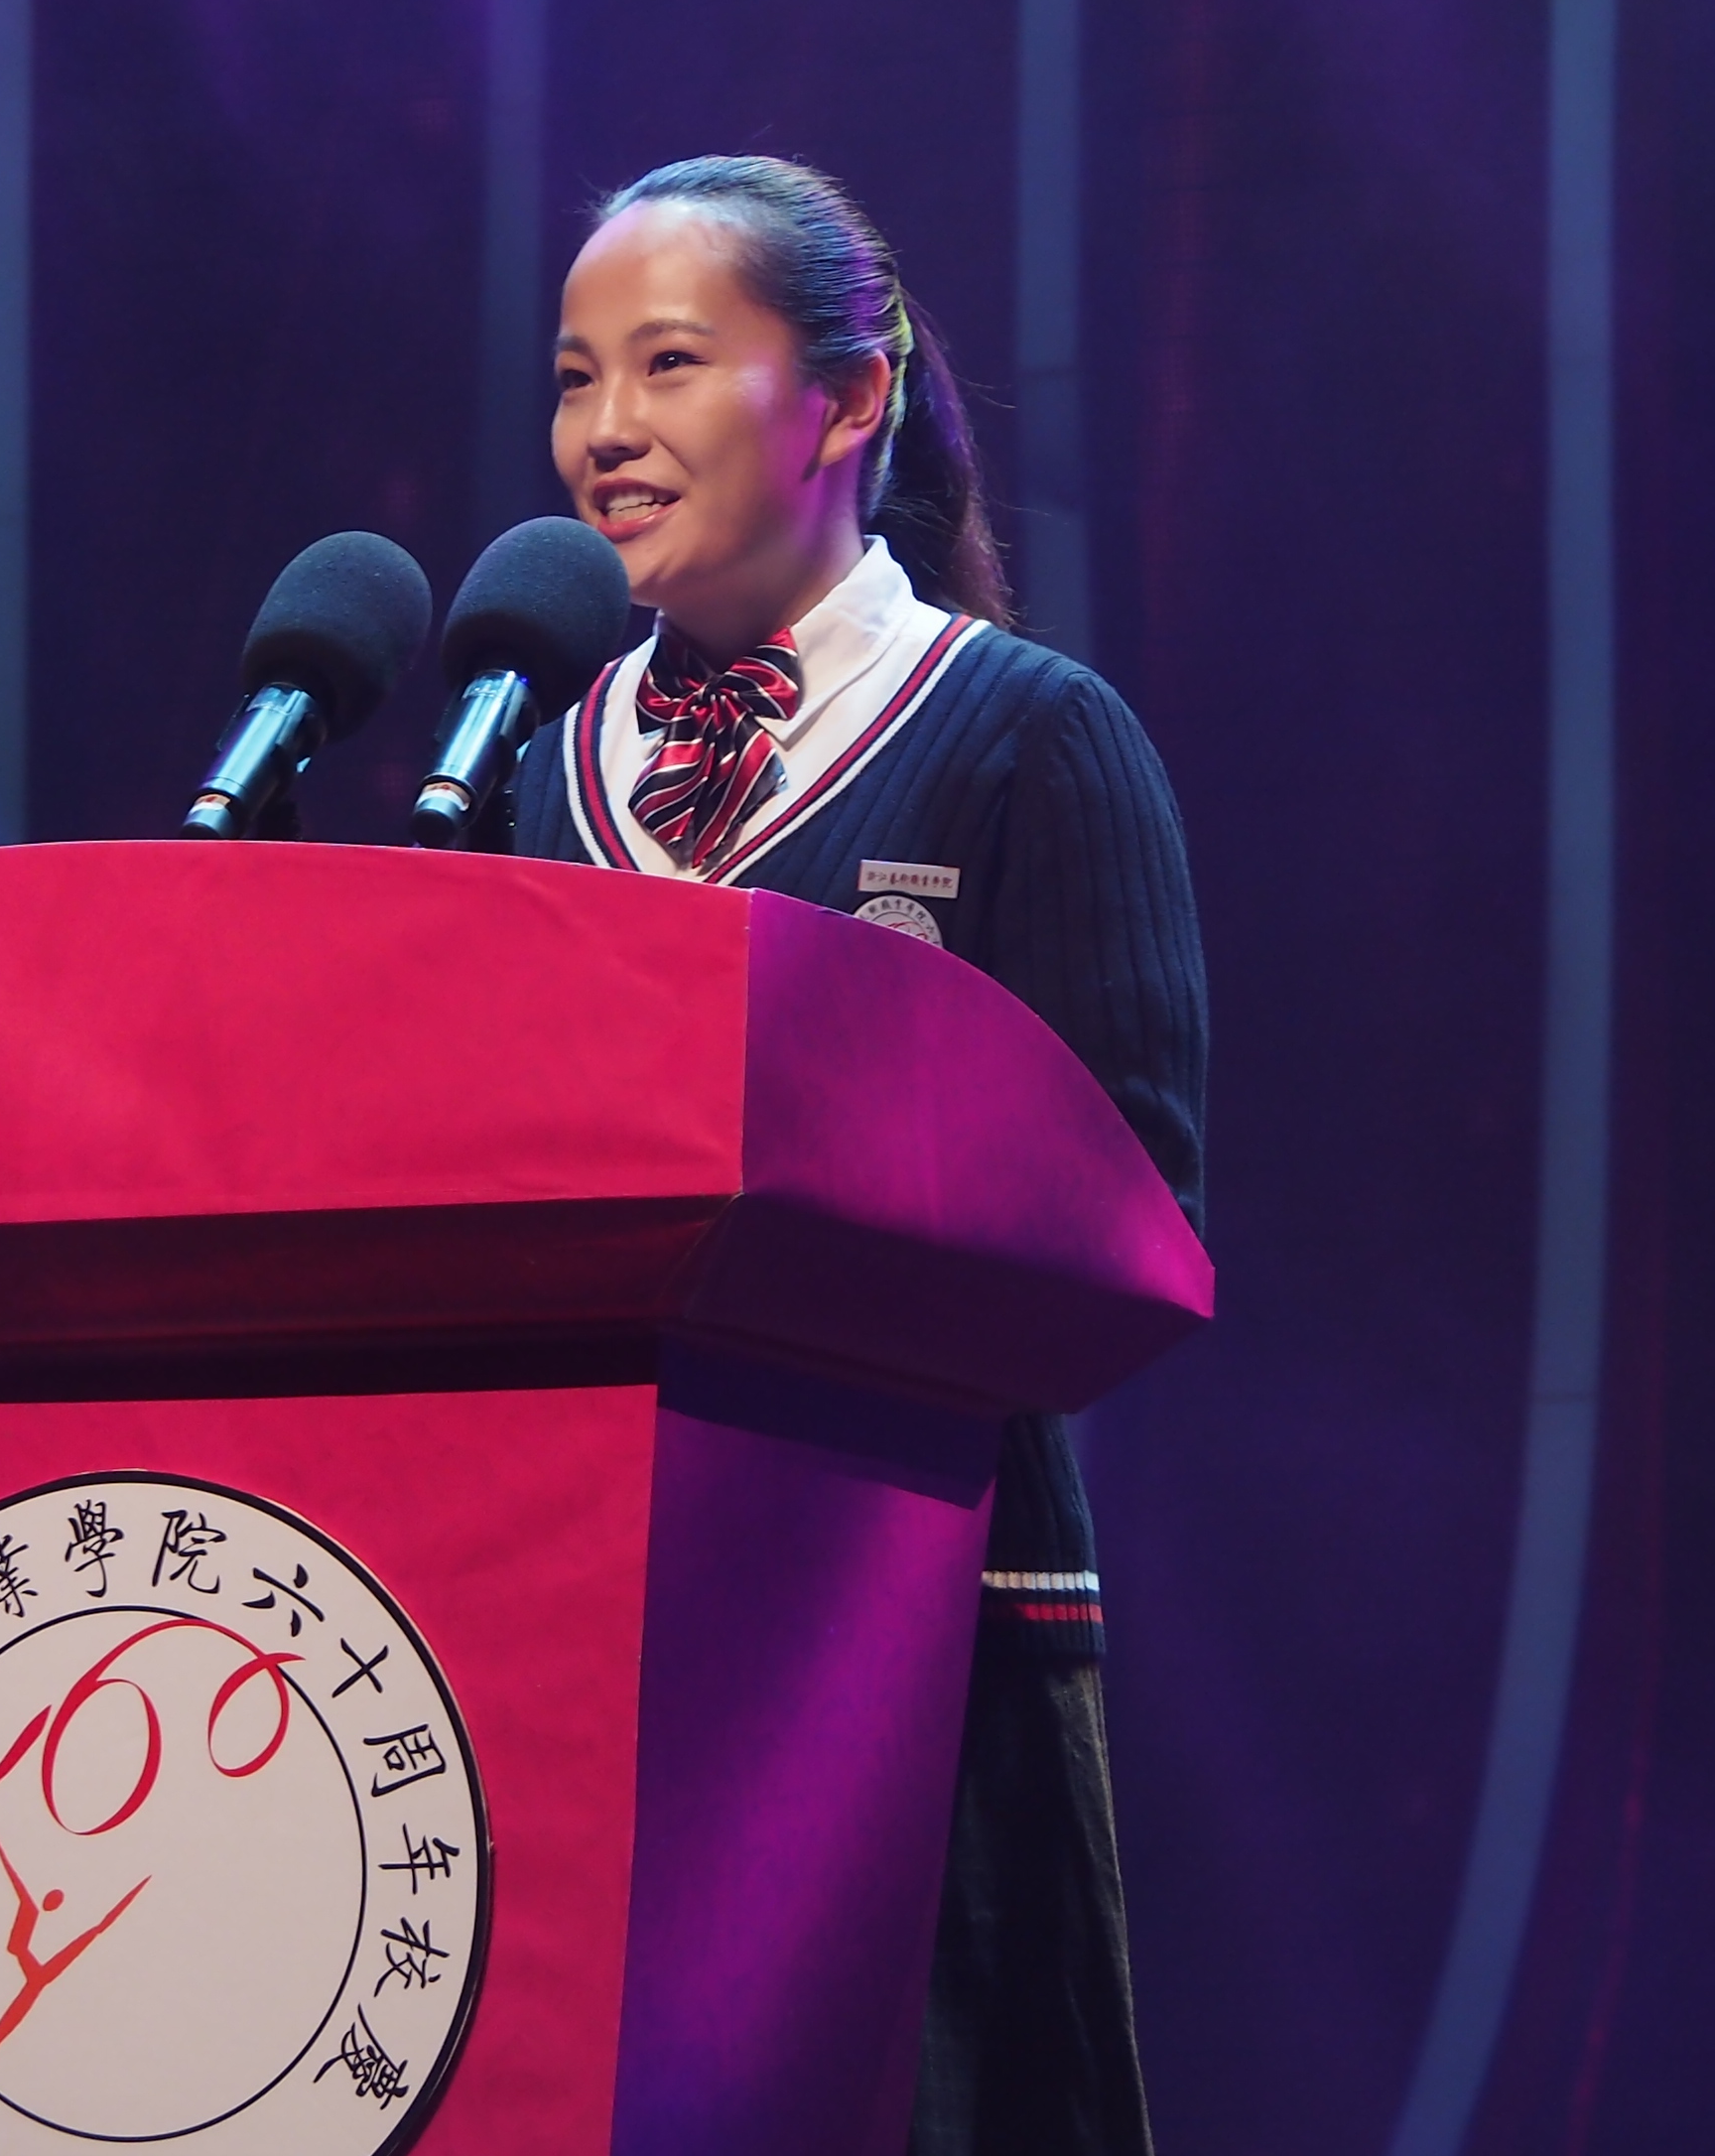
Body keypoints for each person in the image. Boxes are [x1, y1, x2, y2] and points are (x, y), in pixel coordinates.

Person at [512, 154, 1207, 2156]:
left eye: (667, 363)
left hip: (902, 1628)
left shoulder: (1022, 741)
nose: (605, 430)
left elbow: (1134, 1221)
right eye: (575, 376)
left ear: (850, 396)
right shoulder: (533, 774)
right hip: (555, 1606)